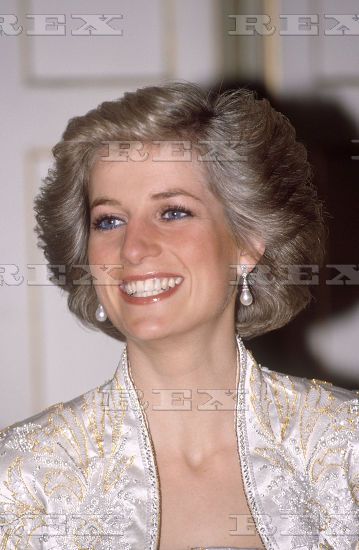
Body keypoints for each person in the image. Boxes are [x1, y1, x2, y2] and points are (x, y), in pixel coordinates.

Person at [0, 82, 358, 550]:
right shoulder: (24, 481)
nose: (132, 248)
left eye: (172, 212)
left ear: (247, 242)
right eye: (109, 220)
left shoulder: (346, 451)